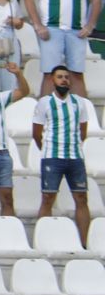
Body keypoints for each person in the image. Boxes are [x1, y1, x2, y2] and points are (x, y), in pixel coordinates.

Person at [35, 65, 95, 240]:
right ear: (53, 80)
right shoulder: (44, 102)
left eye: (66, 77)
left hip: (75, 157)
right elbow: (36, 133)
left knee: (81, 198)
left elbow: (83, 131)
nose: (64, 80)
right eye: (60, 77)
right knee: (48, 198)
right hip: (52, 157)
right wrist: (48, 149)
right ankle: (43, 240)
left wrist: (73, 146)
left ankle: (84, 243)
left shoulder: (79, 102)